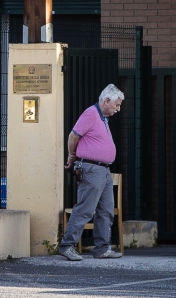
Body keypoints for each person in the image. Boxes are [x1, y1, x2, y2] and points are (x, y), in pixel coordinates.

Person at [59, 84, 125, 261]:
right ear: (106, 101)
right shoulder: (91, 114)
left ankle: (102, 248)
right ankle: (67, 245)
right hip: (91, 168)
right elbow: (74, 135)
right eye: (116, 105)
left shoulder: (103, 117)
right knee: (85, 209)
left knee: (106, 210)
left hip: (103, 169)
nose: (118, 109)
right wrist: (71, 156)